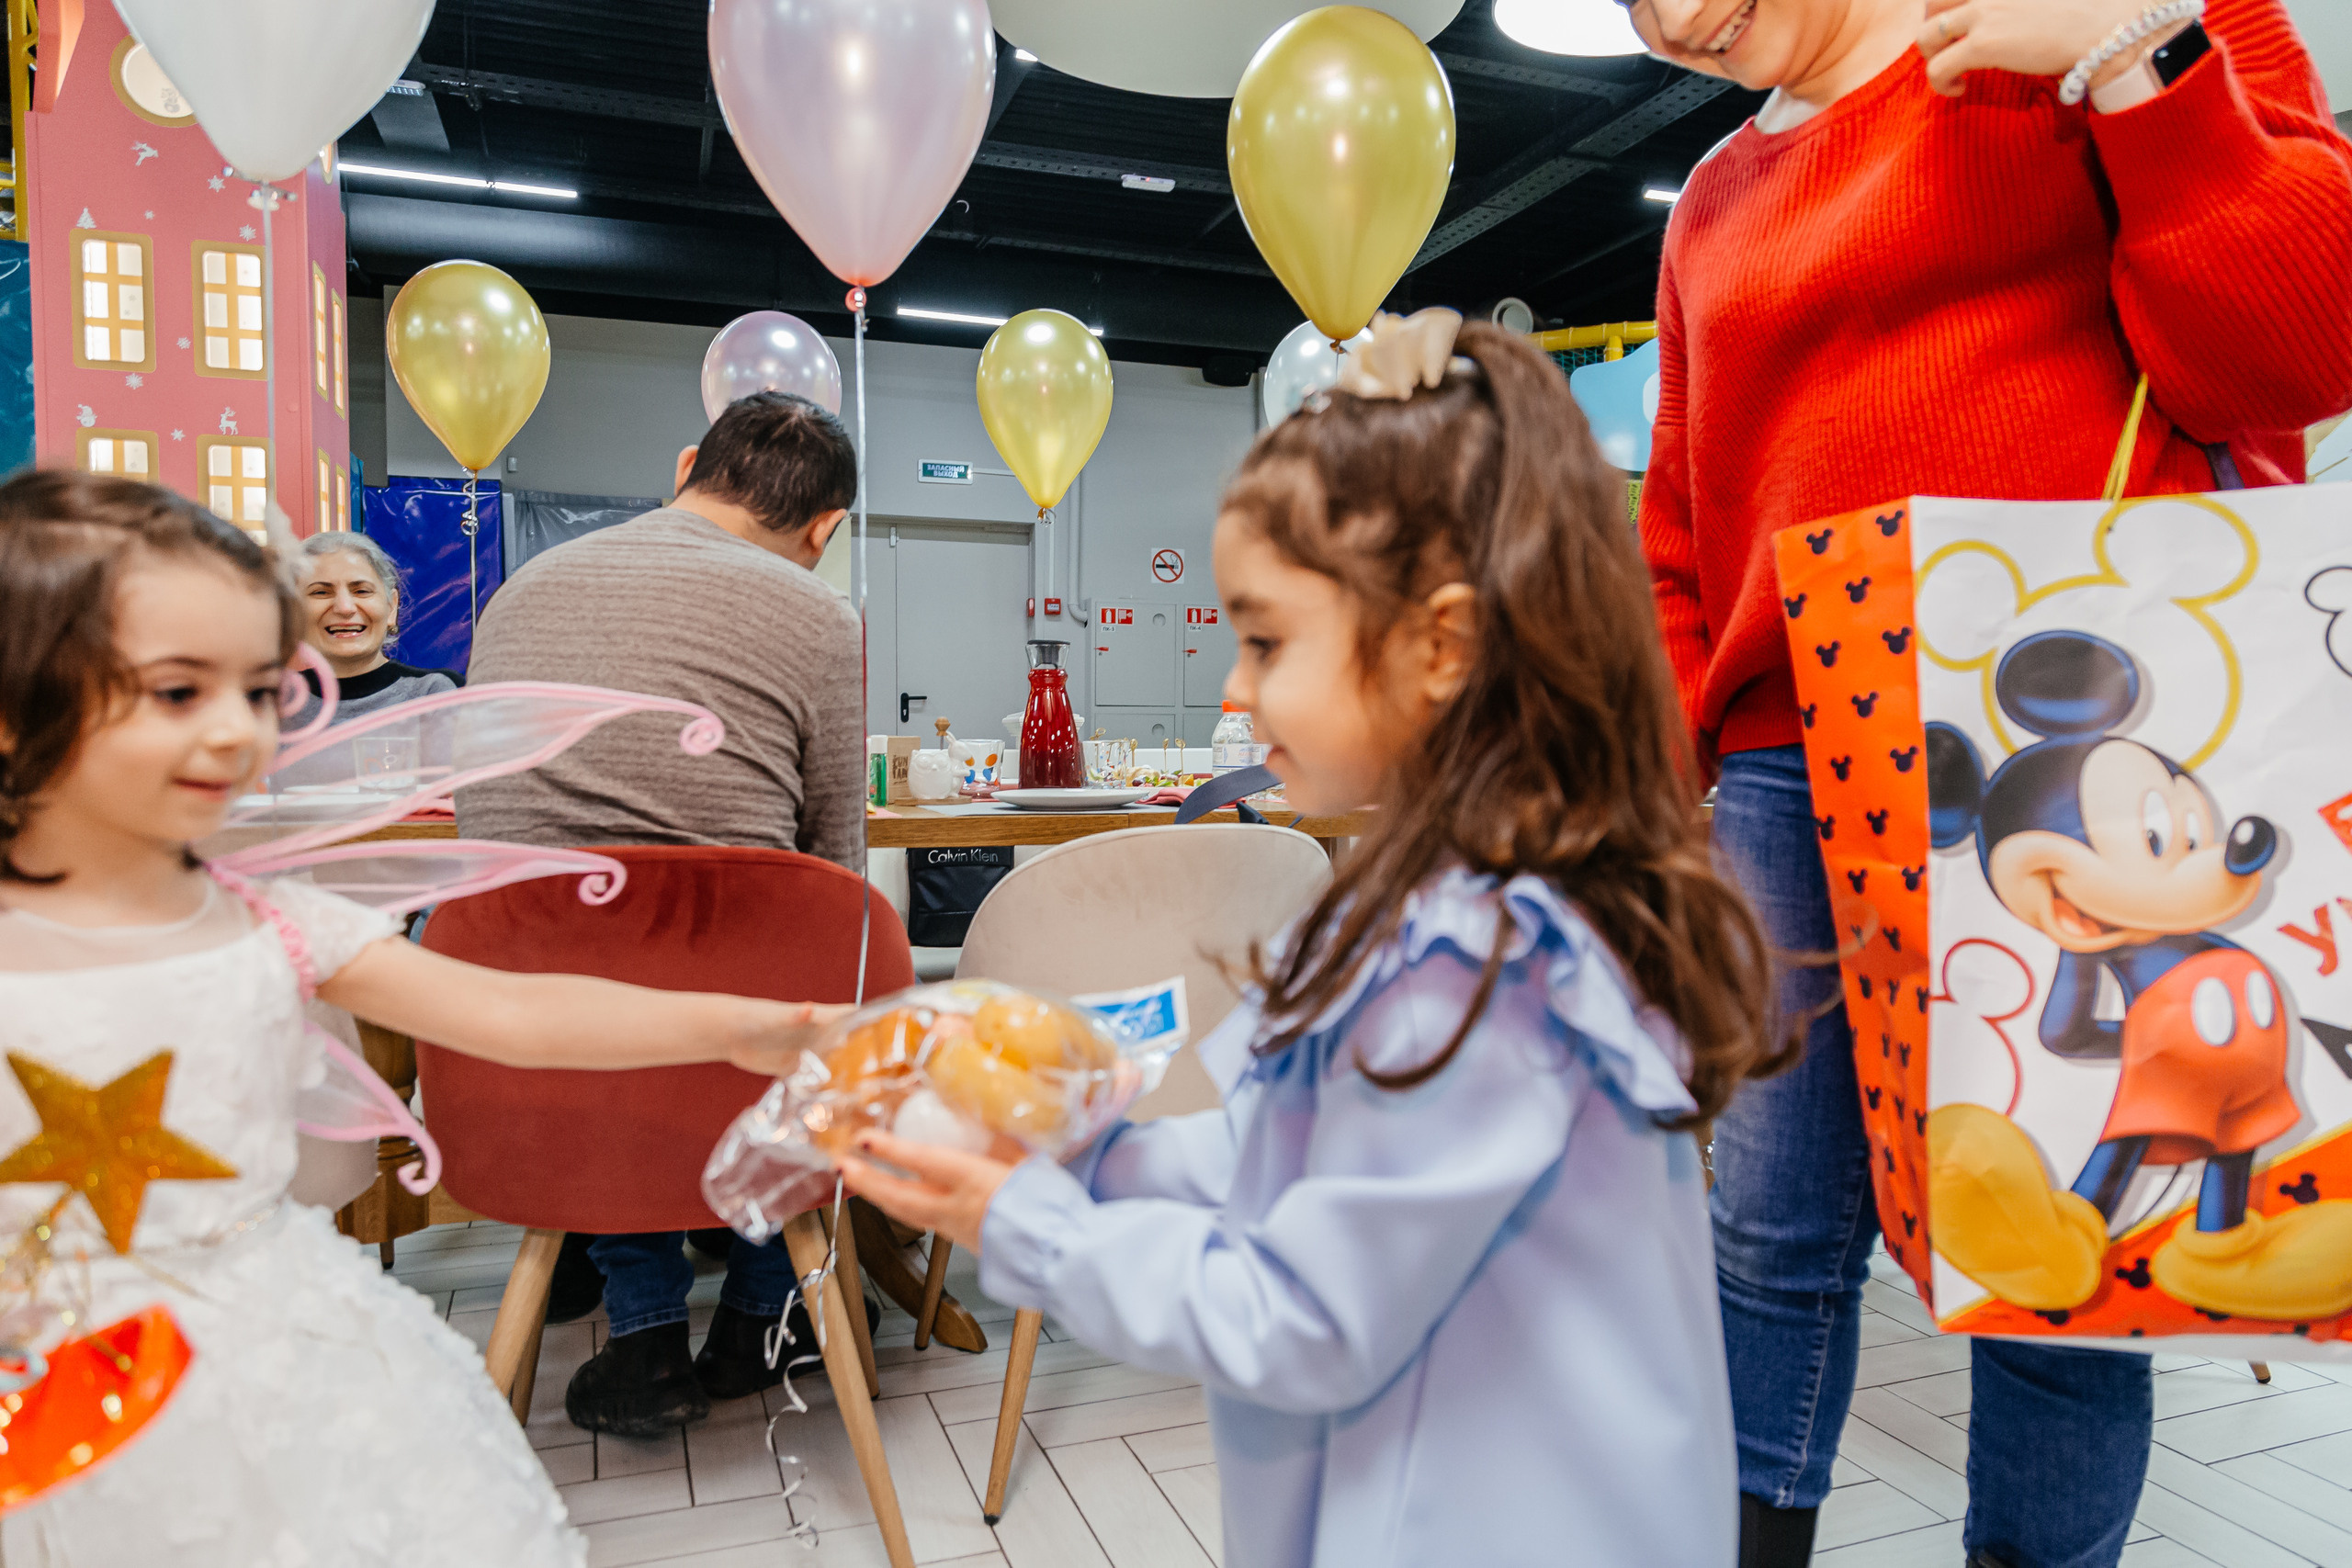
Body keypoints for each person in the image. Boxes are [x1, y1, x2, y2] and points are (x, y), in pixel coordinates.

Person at [835, 312, 1795, 1568]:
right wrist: (1085, 1136)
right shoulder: (1434, 913)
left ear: (1440, 645)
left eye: (1270, 642)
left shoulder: (1488, 967)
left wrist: (1027, 1217)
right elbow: (1275, 1147)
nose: (1232, 692)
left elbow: (1301, 1314)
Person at [1623, 0, 2352, 1562]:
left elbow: (2304, 343)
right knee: (1761, 1232)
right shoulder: (1711, 203)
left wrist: (2127, 61)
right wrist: (1663, 777)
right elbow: (1682, 524)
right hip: (1782, 758)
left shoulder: (2118, 13)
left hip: (2074, 756)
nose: (1670, 20)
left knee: (2064, 1260)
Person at [0, 470, 838, 1563]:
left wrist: (738, 1029)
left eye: (258, 692)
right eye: (175, 692)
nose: (234, 735)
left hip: (270, 1355)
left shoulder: (272, 920)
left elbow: (509, 1012)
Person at [458, 389, 866, 1438]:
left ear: (689, 464)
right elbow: (835, 861)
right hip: (727, 1030)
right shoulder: (822, 615)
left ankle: (642, 1340)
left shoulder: (524, 587)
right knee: (814, 972)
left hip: (530, 1035)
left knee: (601, 985)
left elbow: (481, 819)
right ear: (823, 530)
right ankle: (757, 1316)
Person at [292, 531, 458, 720]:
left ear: (391, 607)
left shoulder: (437, 693)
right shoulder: (271, 705)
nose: (344, 608)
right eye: (321, 592)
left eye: (361, 591)